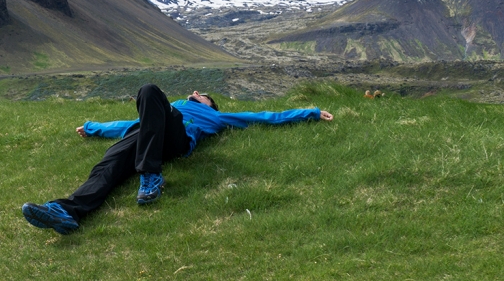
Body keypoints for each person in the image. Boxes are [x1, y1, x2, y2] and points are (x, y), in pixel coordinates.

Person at [22, 84, 334, 234]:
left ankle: (150, 177)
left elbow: (263, 116)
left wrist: (309, 112)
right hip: (143, 137)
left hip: (176, 140)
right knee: (107, 166)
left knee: (148, 91)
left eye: (203, 95)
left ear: (209, 105)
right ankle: (66, 212)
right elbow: (125, 124)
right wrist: (93, 128)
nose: (196, 93)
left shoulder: (214, 116)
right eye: (196, 94)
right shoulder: (167, 104)